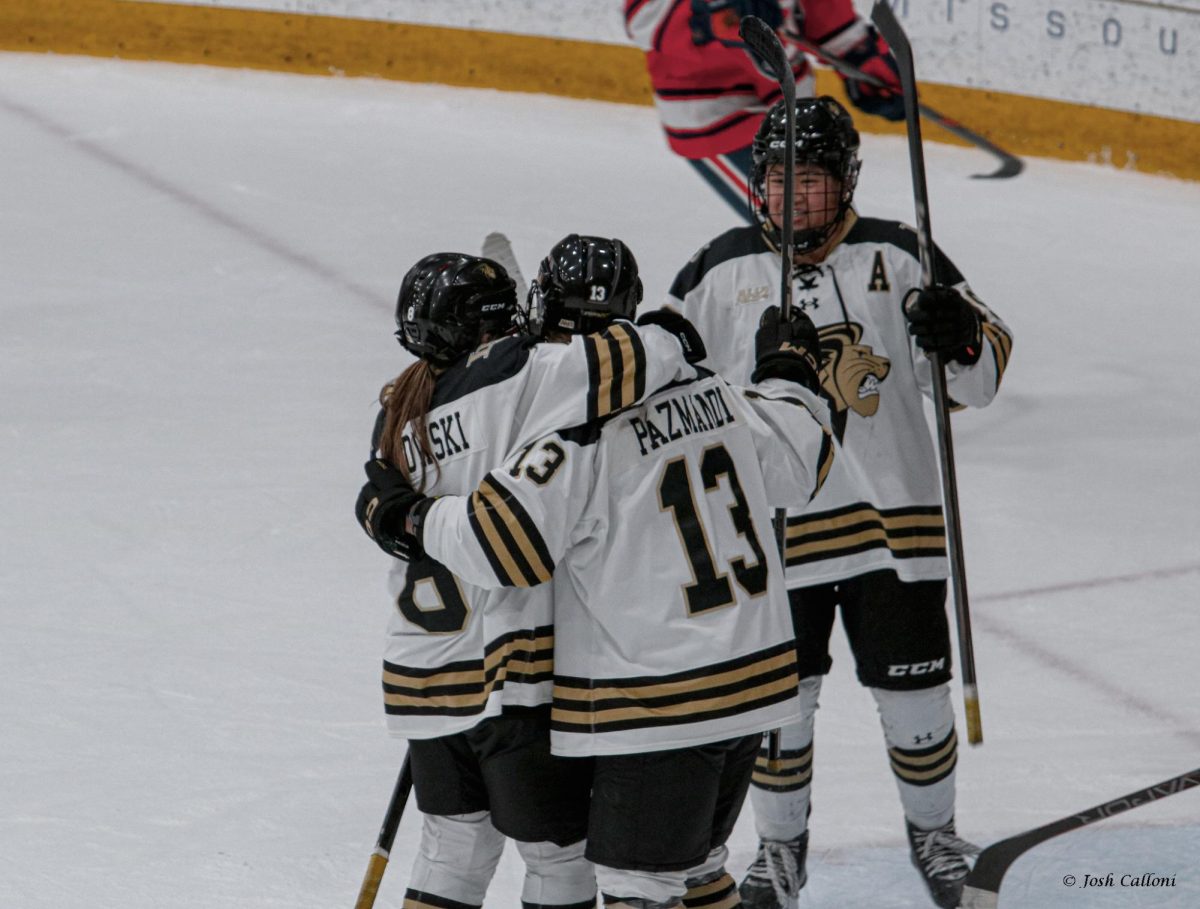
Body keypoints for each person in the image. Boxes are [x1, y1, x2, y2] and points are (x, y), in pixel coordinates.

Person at [358, 234, 837, 909]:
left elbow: (501, 538)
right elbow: (803, 456)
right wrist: (780, 367)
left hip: (514, 679)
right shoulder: (679, 388)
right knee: (667, 868)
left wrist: (402, 518)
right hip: (737, 678)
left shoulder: (414, 412)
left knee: (485, 856)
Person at [662, 96, 1014, 909]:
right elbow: (662, 382)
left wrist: (955, 333)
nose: (791, 199)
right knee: (779, 704)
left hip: (896, 525)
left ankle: (936, 835)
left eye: (810, 182)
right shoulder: (720, 270)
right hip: (774, 537)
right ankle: (780, 850)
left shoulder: (900, 252)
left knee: (915, 697)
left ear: (846, 180)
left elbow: (980, 377)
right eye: (777, 182)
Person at [354, 249, 704, 909]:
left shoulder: (397, 412)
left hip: (422, 679)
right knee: (559, 859)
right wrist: (666, 333)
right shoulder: (523, 376)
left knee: (451, 850)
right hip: (509, 676)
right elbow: (637, 361)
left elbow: (390, 511)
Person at [623, 0, 904, 217]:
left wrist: (864, 58)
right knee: (807, 238)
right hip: (717, 115)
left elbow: (822, 11)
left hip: (791, 108)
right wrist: (716, 14)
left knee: (833, 230)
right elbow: (642, 18)